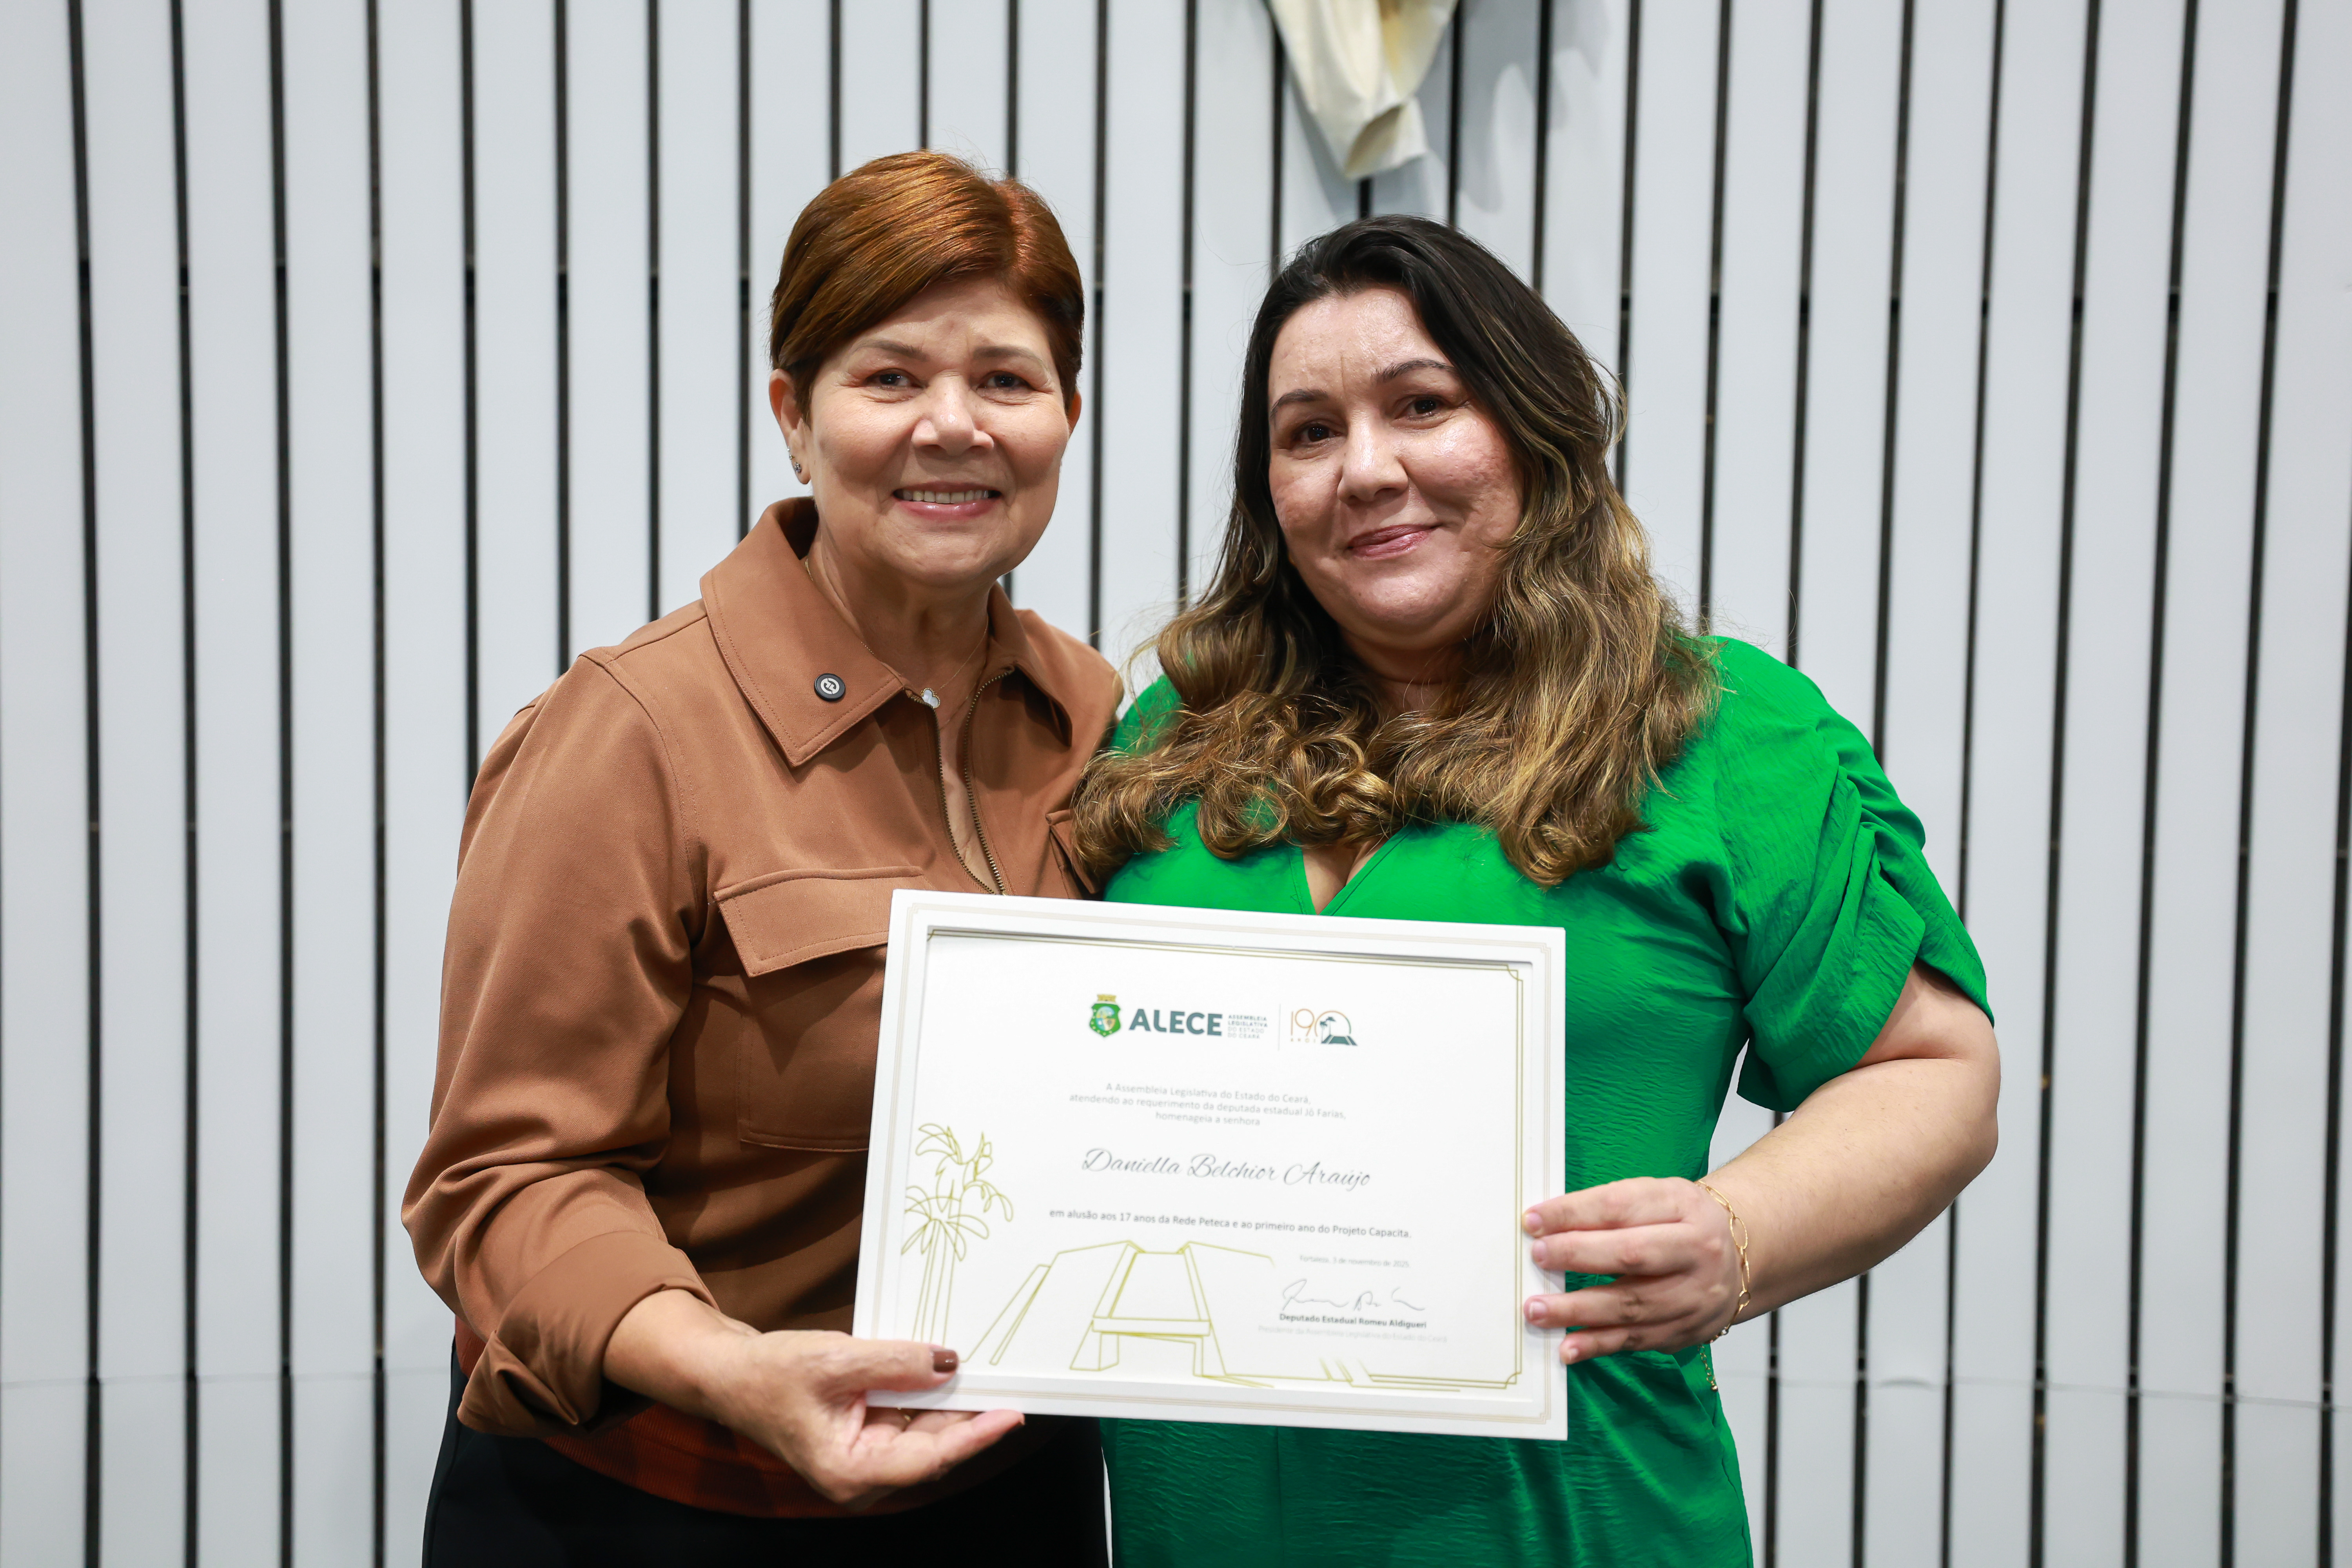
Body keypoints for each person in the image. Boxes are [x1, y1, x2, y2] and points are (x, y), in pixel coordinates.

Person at [1071, 215, 2000, 1566]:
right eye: (1310, 431)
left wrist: (1736, 1234)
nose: (1366, 469)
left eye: (1423, 405)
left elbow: (1933, 1071)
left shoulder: (1721, 734)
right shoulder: (1170, 737)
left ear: (1533, 427)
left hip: (1579, 1526)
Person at [405, 151, 1120, 1565]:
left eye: (1006, 380)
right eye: (891, 377)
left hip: (1006, 1496)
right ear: (794, 417)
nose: (953, 426)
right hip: (662, 1505)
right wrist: (729, 1369)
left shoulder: (1100, 717)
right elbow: (505, 1181)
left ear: (1067, 419)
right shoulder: (630, 730)